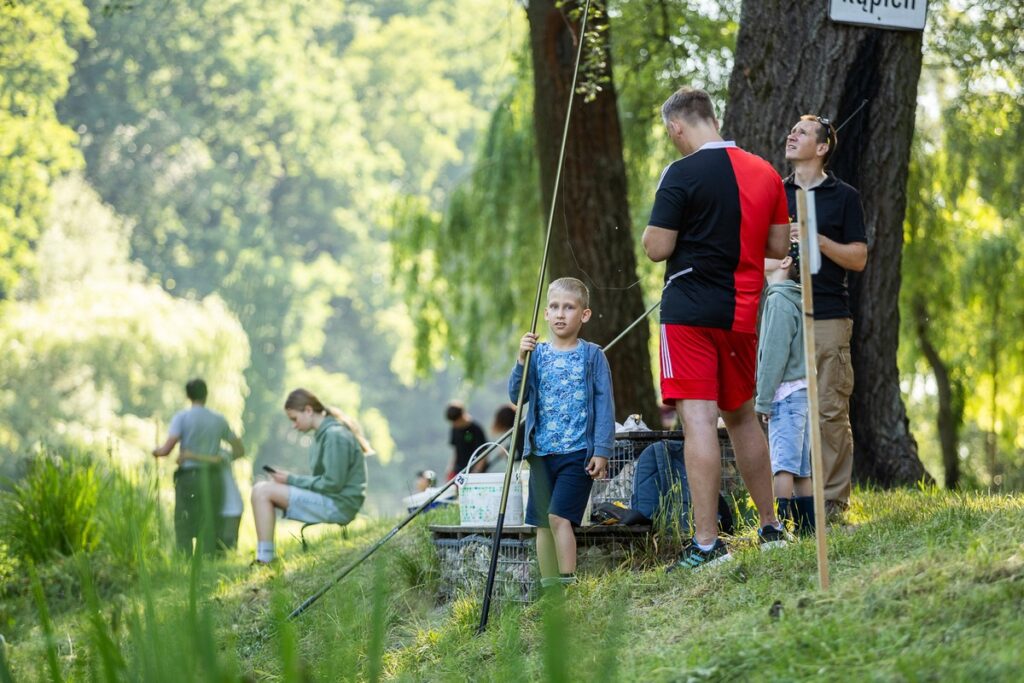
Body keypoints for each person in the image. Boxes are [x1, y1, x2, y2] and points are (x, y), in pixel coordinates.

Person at [642, 87, 790, 570]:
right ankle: (771, 528)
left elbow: (656, 247)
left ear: (677, 127)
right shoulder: (766, 172)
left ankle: (707, 544)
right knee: (743, 417)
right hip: (742, 313)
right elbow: (775, 246)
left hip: (689, 314)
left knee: (700, 422)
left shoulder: (680, 172)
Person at [783, 114, 867, 519]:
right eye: (791, 131)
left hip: (829, 315)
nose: (791, 135)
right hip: (782, 315)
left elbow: (859, 256)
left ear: (822, 148)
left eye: (801, 132)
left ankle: (832, 505)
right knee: (781, 408)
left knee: (830, 410)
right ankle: (787, 507)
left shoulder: (844, 196)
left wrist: (816, 238)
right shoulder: (773, 193)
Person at [509, 277, 614, 587]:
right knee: (541, 523)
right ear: (545, 314)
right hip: (541, 453)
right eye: (554, 307)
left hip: (577, 453)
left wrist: (602, 449)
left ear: (584, 315)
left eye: (569, 307)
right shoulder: (537, 355)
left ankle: (567, 583)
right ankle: (549, 584)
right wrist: (520, 360)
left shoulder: (592, 356)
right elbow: (517, 396)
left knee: (558, 517)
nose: (560, 313)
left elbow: (605, 404)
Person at [251, 388, 371, 565]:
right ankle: (265, 557)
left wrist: (291, 480)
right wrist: (288, 480)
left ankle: (265, 559)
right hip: (334, 499)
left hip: (340, 505)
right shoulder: (324, 435)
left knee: (261, 491)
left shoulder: (334, 435)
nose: (293, 424)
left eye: (294, 418)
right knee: (262, 488)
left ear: (308, 410)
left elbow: (332, 484)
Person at [755, 246, 815, 535]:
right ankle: (808, 530)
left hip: (785, 395)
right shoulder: (797, 298)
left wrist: (763, 400)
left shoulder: (779, 301)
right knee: (802, 466)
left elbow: (774, 355)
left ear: (785, 260)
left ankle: (777, 527)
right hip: (801, 393)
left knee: (782, 466)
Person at [152, 378, 244, 556]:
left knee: (184, 517)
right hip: (213, 476)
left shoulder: (182, 418)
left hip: (189, 476)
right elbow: (239, 450)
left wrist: (155, 451)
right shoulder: (218, 419)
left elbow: (166, 450)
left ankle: (185, 560)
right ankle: (208, 558)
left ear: (188, 395)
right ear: (206, 395)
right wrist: (219, 458)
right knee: (209, 518)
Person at [444, 401, 487, 479]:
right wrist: (450, 468)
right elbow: (456, 450)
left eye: (456, 421)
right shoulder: (454, 429)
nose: (454, 424)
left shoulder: (476, 429)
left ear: (462, 415)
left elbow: (483, 452)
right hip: (459, 470)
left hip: (474, 471)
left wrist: (476, 472)